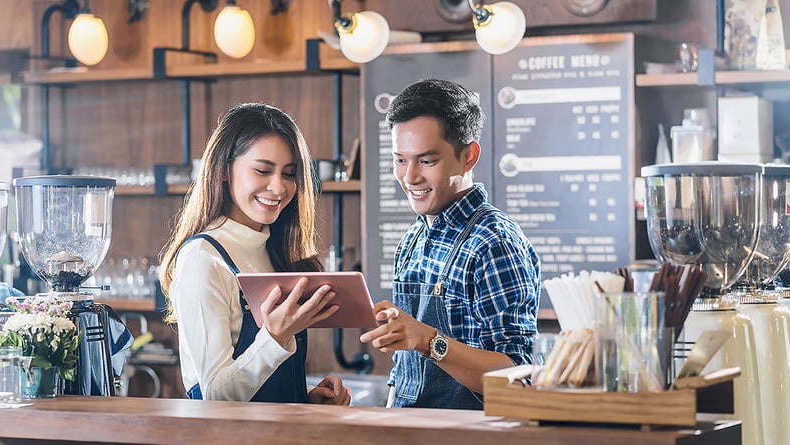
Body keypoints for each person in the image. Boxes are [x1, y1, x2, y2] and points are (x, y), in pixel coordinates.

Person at [359, 79, 540, 410]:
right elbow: (404, 371)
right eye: (400, 160)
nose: (409, 177)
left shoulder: (493, 241)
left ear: (468, 156)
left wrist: (427, 340)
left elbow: (519, 376)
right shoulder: (412, 239)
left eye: (426, 161)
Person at [158, 103, 350, 405]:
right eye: (263, 170)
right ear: (223, 170)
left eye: (289, 173)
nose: (278, 187)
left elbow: (262, 386)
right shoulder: (202, 259)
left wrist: (305, 398)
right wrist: (273, 337)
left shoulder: (275, 251)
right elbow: (217, 396)